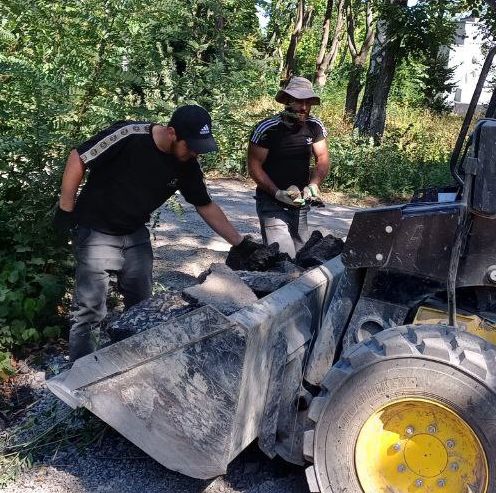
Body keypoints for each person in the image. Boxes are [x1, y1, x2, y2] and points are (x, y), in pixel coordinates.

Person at [55, 104, 256, 360]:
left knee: (143, 306)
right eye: (191, 146)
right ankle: (80, 375)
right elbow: (79, 157)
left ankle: (135, 365)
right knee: (89, 311)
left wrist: (240, 243)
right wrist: (66, 208)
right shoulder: (129, 135)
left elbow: (204, 204)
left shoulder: (187, 164)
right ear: (172, 132)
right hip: (97, 231)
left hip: (135, 233)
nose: (195, 153)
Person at [247, 76, 332, 256]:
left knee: (302, 255)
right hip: (271, 201)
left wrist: (314, 184)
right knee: (282, 255)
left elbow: (322, 158)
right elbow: (254, 167)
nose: (304, 108)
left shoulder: (315, 126)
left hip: (299, 201)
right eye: (299, 102)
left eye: (308, 103)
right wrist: (277, 192)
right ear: (287, 101)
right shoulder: (267, 129)